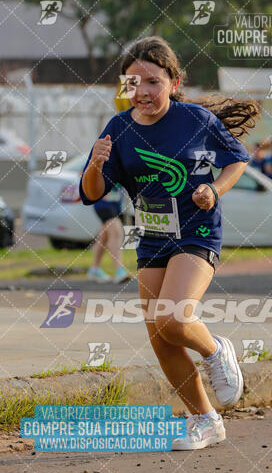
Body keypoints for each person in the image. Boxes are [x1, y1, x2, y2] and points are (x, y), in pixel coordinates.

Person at [79, 35, 260, 450]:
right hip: (152, 238)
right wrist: (96, 163)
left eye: (153, 81)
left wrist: (214, 190)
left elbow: (237, 159)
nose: (142, 91)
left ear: (174, 83)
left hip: (196, 232)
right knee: (160, 337)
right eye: (132, 82)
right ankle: (206, 421)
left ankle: (215, 351)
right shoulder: (118, 129)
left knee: (174, 319)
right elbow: (91, 192)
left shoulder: (194, 120)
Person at [87, 182, 130, 284]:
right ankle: (119, 271)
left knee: (104, 236)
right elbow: (83, 173)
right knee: (116, 231)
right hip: (102, 203)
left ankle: (94, 270)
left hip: (116, 203)